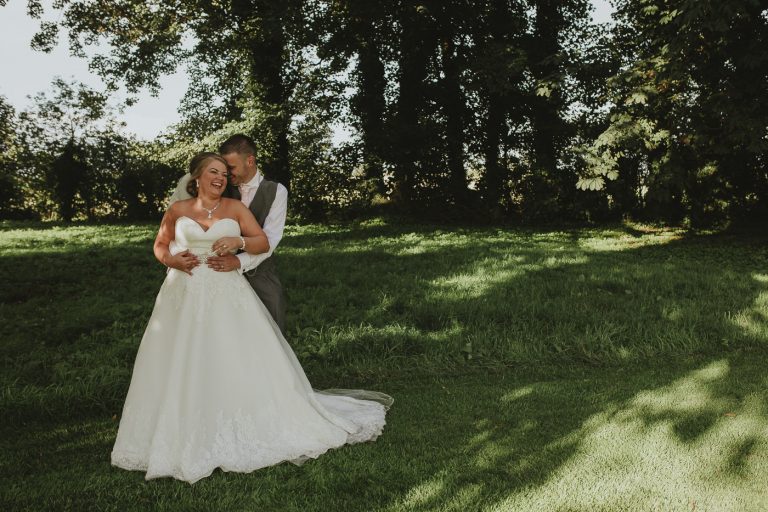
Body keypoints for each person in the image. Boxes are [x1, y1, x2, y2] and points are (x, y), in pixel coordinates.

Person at [111, 152, 392, 484]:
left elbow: (261, 242)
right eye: (212, 172)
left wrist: (239, 242)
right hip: (182, 295)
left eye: (224, 174)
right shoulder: (177, 211)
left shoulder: (235, 209)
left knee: (233, 357)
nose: (220, 178)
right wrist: (173, 261)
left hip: (226, 293)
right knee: (178, 358)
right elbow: (159, 246)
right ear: (197, 176)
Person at [168, 134, 288, 332]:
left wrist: (238, 262)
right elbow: (183, 219)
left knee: (272, 323)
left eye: (230, 168)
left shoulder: (276, 191)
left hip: (259, 270)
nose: (225, 174)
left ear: (250, 161)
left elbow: (271, 240)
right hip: (213, 273)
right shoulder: (219, 184)